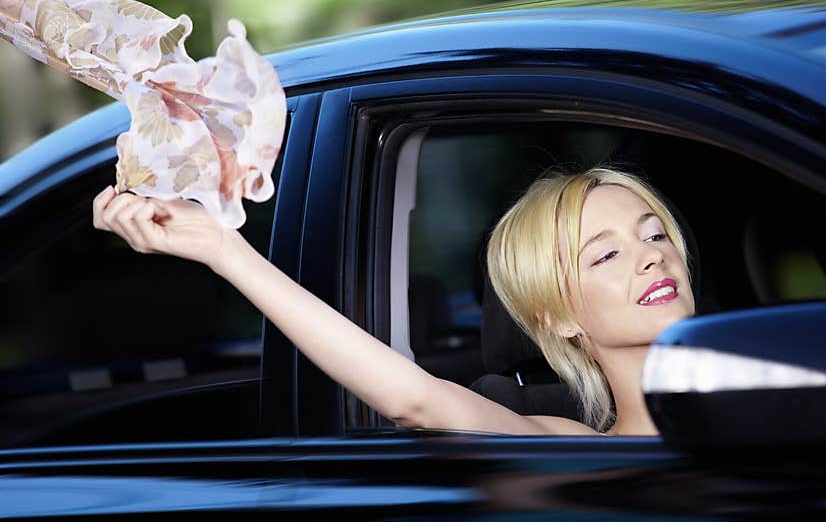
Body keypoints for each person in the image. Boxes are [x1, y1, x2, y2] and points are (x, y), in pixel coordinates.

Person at [92, 165, 696, 436]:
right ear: (558, 316)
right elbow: (415, 401)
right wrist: (225, 250)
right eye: (605, 255)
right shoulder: (574, 451)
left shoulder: (784, 379)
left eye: (653, 233)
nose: (651, 256)